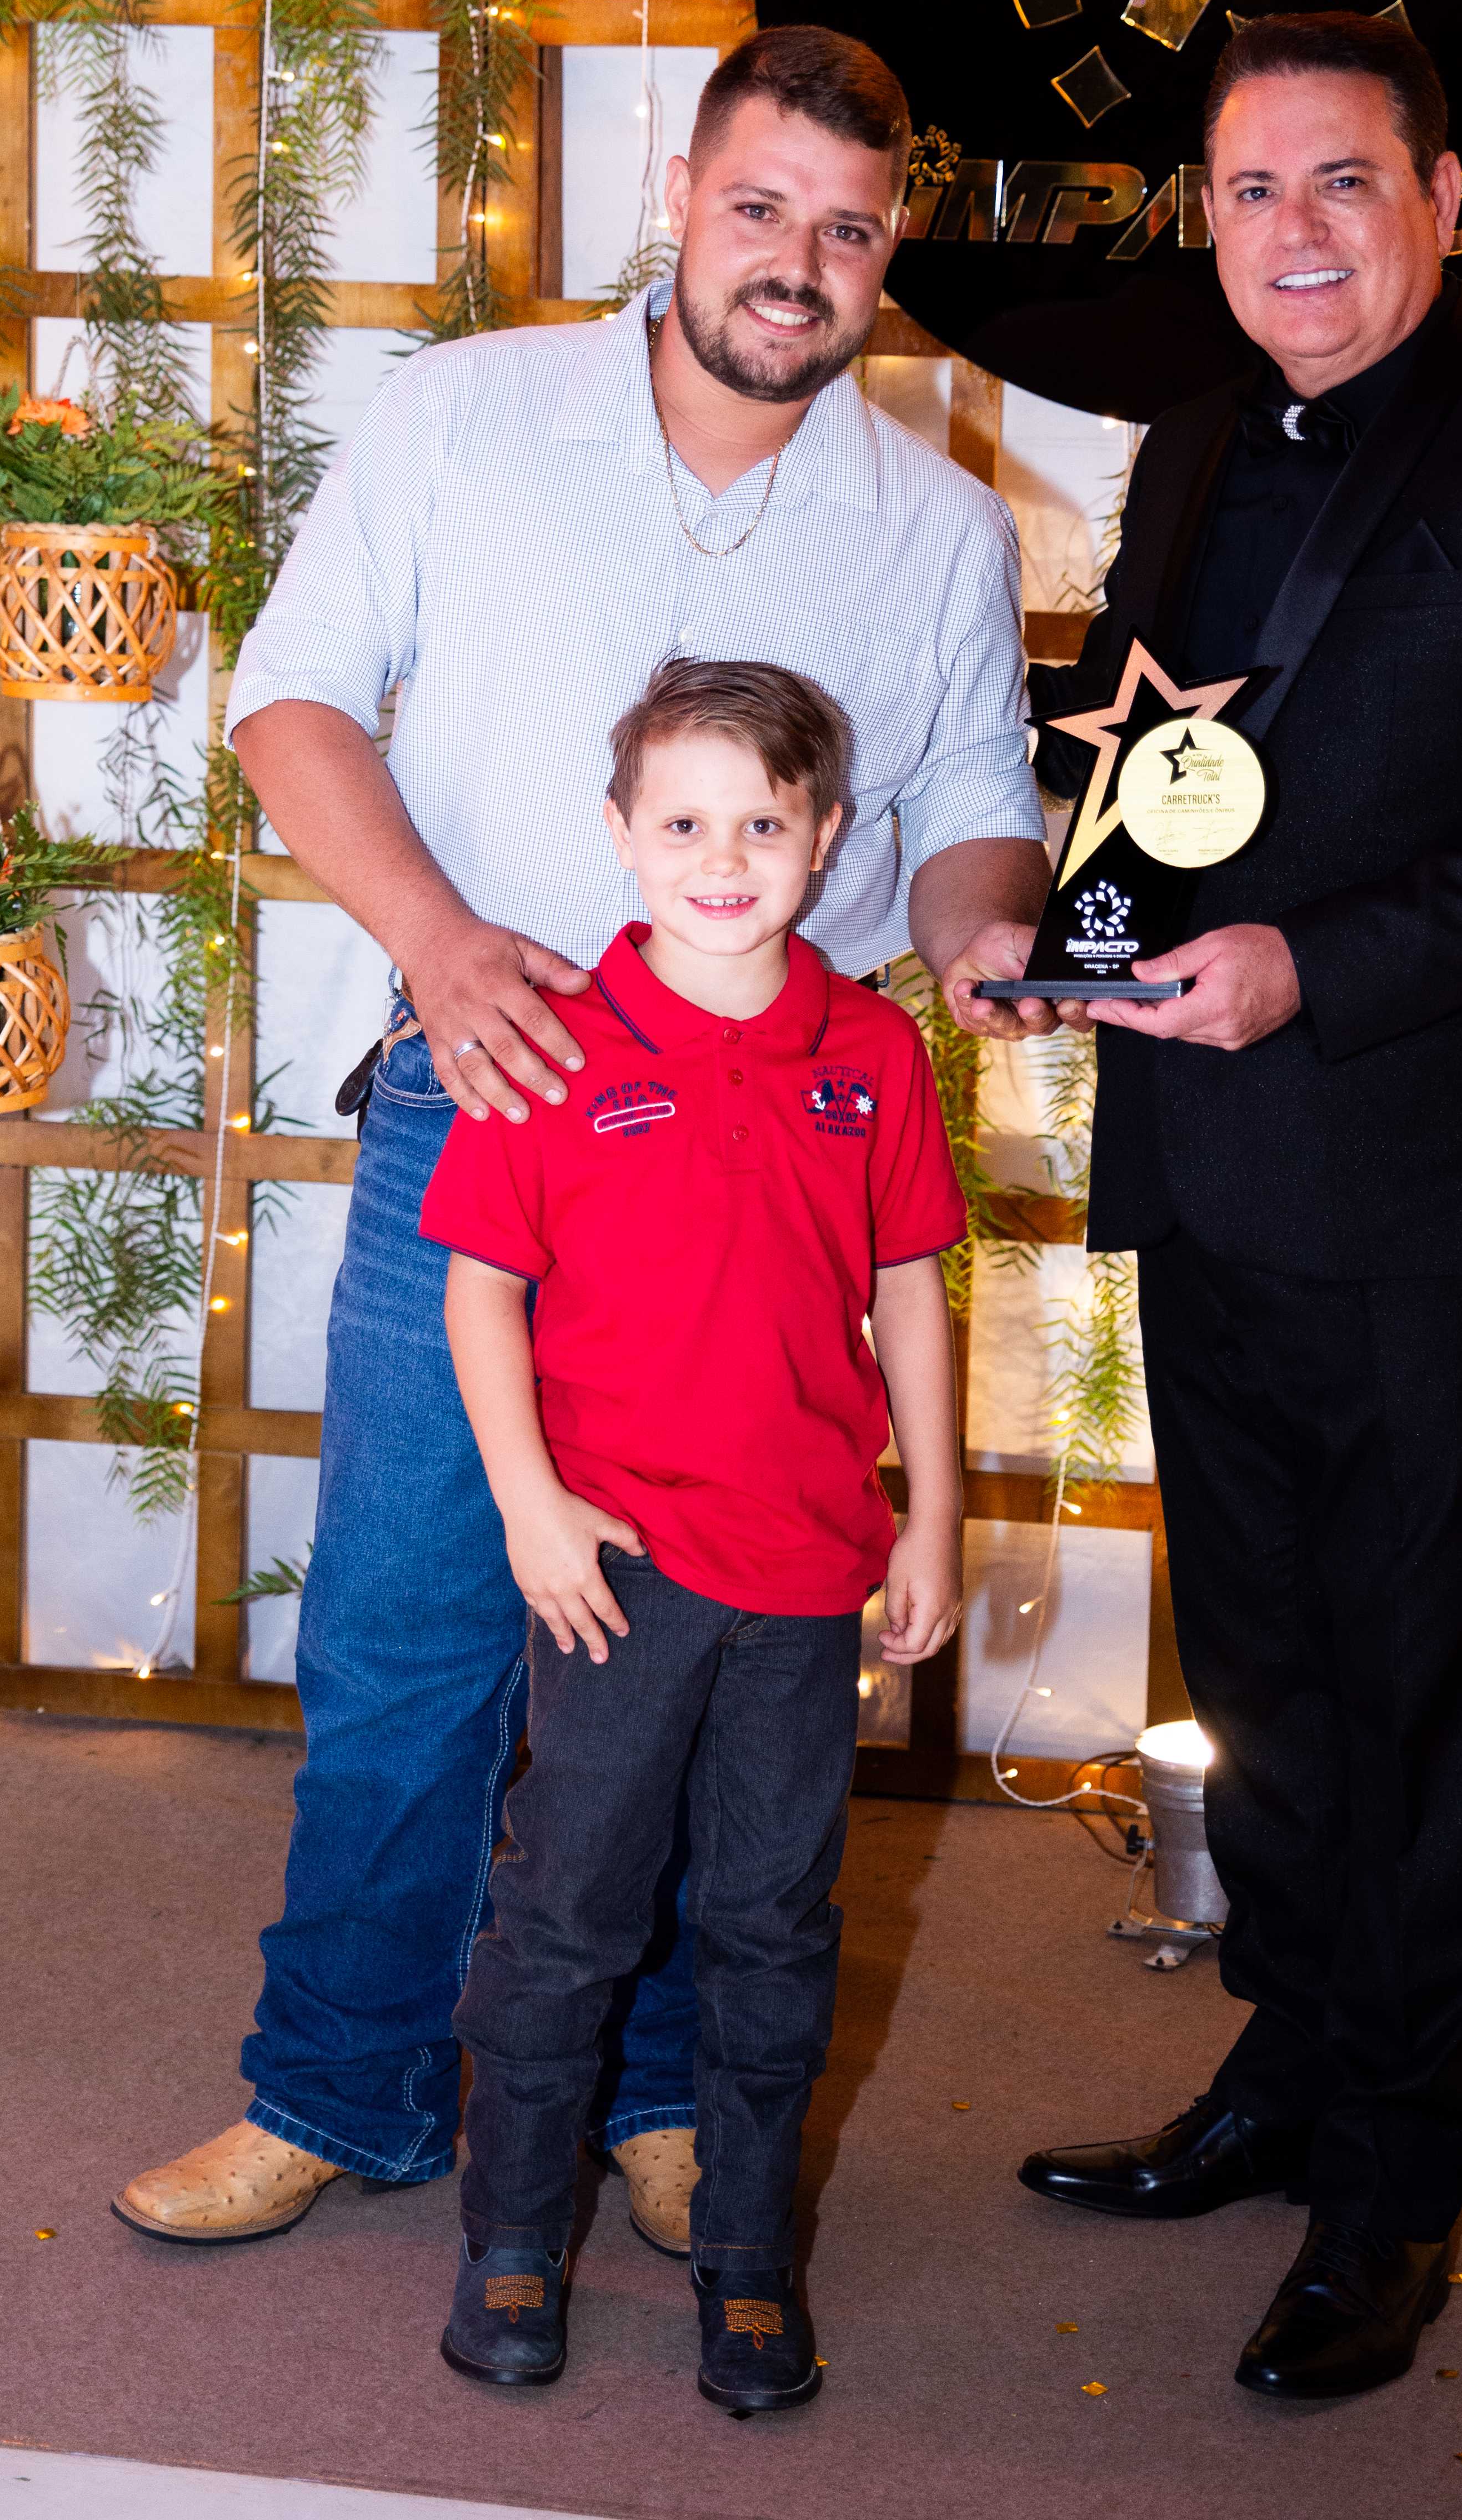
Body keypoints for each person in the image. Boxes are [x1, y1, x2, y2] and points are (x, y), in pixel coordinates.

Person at [114, 24, 1052, 2253]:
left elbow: (969, 812)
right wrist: (438, 940)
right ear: (679, 195)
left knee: (712, 1661)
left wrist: (987, 940)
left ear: (888, 253)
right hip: (495, 1100)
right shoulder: (464, 412)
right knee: (408, 1633)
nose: (795, 260)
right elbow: (287, 698)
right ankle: (336, 2085)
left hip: (760, 1169)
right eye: (759, 207)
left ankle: (653, 2097)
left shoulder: (936, 524)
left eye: (846, 229)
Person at [977, 14, 1462, 2402]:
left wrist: (1316, 962)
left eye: (1338, 181)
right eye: (1245, 187)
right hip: (1203, 1163)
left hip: (1428, 1185)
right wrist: (1045, 933)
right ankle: (1285, 2073)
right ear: (1201, 216)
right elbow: (1155, 760)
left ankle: (1393, 2177)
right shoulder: (1193, 437)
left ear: (1441, 198)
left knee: (1412, 1687)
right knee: (1262, 1669)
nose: (1288, 230)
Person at [425, 658, 964, 2414]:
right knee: (565, 1915)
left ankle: (745, 2254)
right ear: (618, 833)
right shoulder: (557, 1043)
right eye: (681, 823)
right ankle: (514, 2238)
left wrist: (933, 1514)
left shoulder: (873, 1049)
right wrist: (530, 1508)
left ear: (827, 836)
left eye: (760, 824)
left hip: (807, 1575)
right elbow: (482, 1292)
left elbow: (909, 1287)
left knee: (772, 1924)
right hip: (616, 1573)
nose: (720, 860)